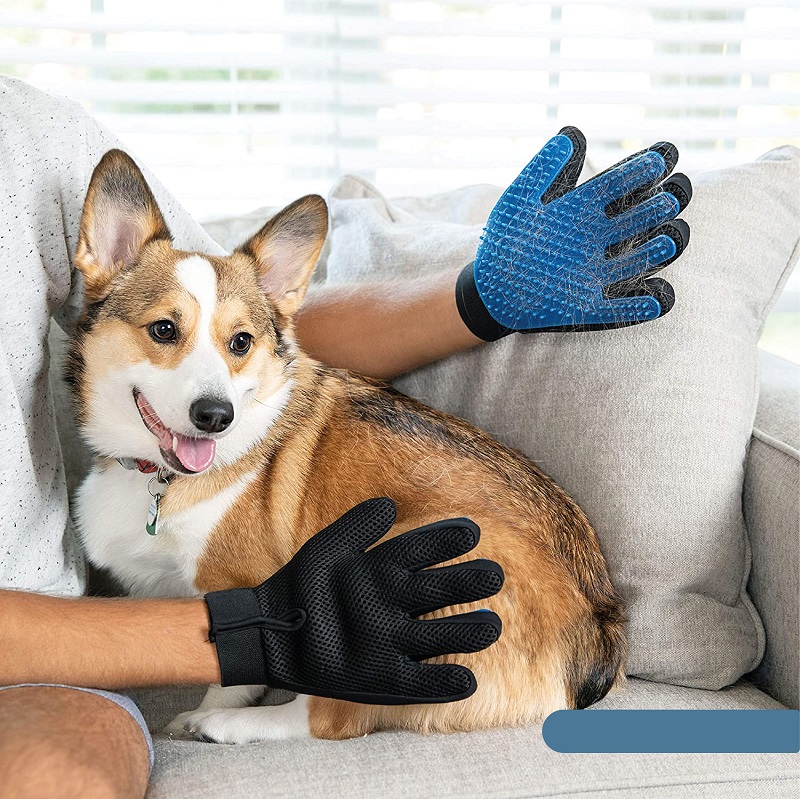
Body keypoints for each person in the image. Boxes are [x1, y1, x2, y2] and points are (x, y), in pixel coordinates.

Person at [0, 75, 690, 799]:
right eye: (166, 333)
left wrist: (475, 299)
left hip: (528, 638)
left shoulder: (34, 138)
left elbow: (258, 319)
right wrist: (261, 632)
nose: (211, 394)